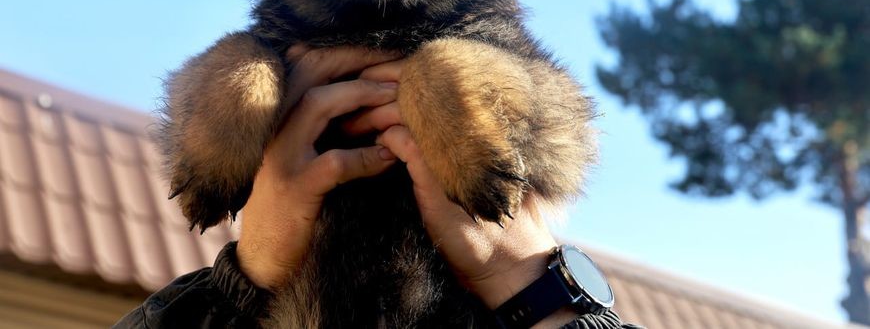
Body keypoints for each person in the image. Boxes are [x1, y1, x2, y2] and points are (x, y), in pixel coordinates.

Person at [115, 47, 640, 328]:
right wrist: (252, 272)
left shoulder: (486, 54)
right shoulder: (257, 65)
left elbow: (568, 139)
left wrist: (517, 272)